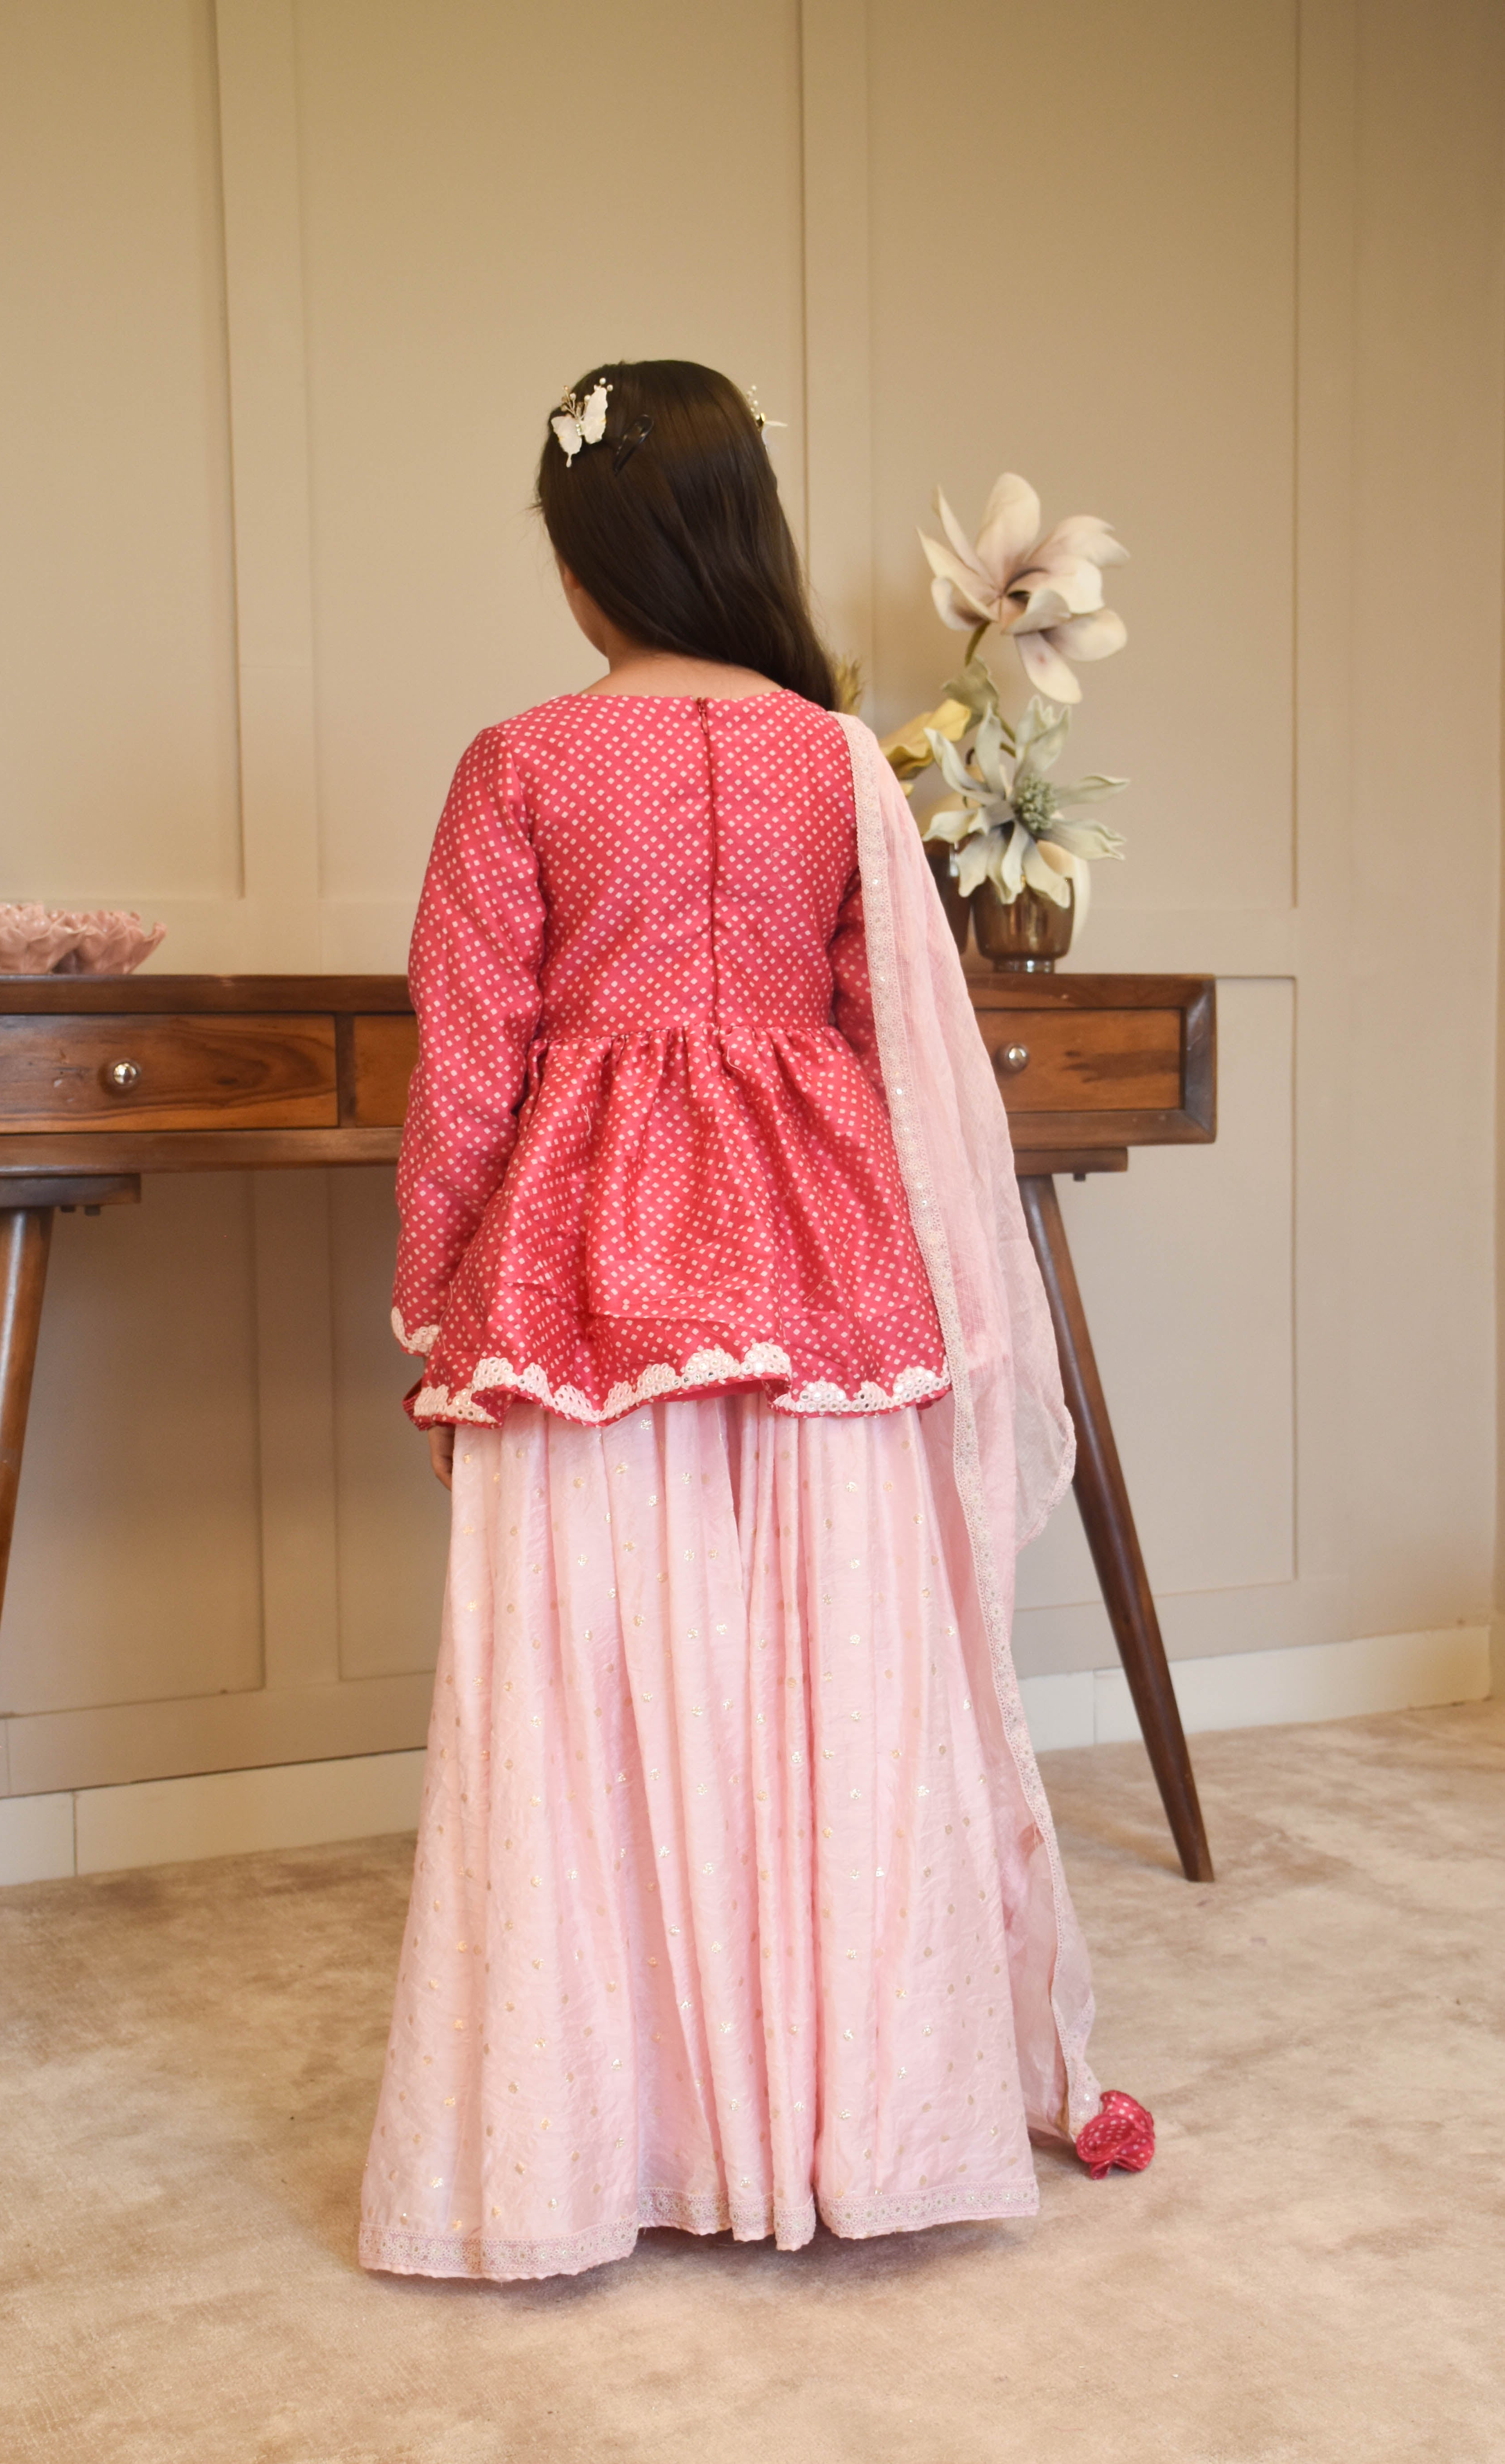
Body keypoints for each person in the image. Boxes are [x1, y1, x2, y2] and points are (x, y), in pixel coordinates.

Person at [359, 360, 1133, 2285]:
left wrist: (443, 1306)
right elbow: (901, 1051)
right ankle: (850, 2129)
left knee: (594, 1707)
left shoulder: (519, 765)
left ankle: (601, 2143)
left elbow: (467, 1070)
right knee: (829, 1691)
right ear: (742, 538)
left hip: (581, 1282)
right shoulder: (839, 762)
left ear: (581, 563)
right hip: (831, 1269)